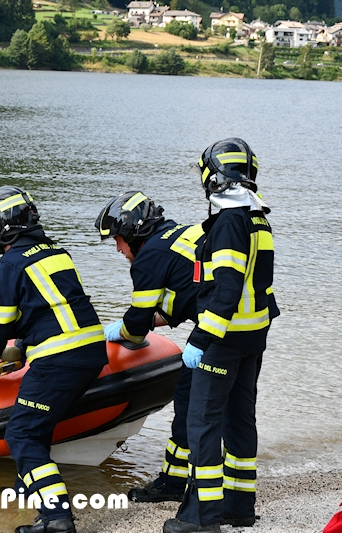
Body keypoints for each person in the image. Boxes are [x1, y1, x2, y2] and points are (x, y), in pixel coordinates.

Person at [0, 186, 108, 533]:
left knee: (22, 433)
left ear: (1, 228)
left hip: (60, 359)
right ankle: (28, 486)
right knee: (37, 425)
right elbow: (49, 307)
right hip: (91, 351)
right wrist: (24, 346)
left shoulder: (8, 266)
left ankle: (57, 518)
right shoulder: (56, 252)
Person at [164, 138, 279, 533]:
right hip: (252, 337)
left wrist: (200, 339)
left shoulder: (229, 219)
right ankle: (239, 507)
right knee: (240, 420)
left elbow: (227, 289)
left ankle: (201, 517)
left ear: (211, 175)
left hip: (223, 339)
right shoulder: (257, 215)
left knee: (204, 424)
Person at [95, 191, 205, 503]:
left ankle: (174, 484)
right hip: (247, 324)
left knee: (188, 405)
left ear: (132, 232)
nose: (117, 248)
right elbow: (185, 296)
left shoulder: (148, 258)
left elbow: (135, 325)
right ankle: (235, 496)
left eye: (117, 239)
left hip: (216, 331)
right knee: (231, 409)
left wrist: (121, 331)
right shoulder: (181, 235)